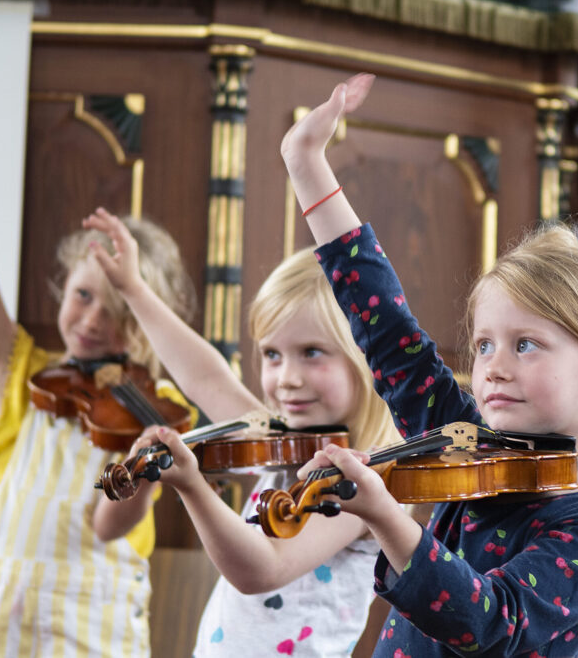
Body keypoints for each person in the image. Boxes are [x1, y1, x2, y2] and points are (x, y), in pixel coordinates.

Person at [280, 73, 578, 657]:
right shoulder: (464, 448)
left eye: (527, 345)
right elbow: (387, 328)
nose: (493, 365)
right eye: (485, 344)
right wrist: (306, 162)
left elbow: (490, 623)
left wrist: (389, 518)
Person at [0, 28, 197, 656]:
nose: (94, 319)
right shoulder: (23, 375)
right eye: (82, 295)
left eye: (118, 305)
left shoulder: (151, 407)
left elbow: (109, 527)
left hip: (91, 637)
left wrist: (146, 469)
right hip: (5, 633)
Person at [83, 207, 407, 657]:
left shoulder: (363, 486)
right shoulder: (284, 445)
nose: (286, 378)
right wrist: (134, 290)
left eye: (311, 352)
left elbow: (263, 568)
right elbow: (205, 379)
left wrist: (194, 488)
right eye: (272, 355)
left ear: (366, 358)